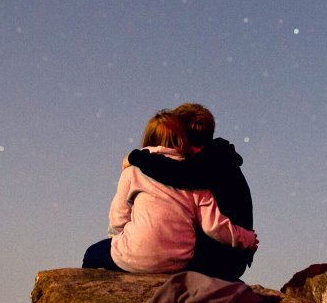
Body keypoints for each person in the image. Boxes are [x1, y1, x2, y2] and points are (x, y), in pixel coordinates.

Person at [82, 110, 258, 273]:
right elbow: (214, 225)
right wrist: (248, 239)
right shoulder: (211, 164)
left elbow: (119, 216)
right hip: (198, 257)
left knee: (92, 254)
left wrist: (135, 158)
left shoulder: (196, 170)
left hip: (219, 261)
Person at [126, 103, 254, 281]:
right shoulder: (217, 159)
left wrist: (137, 157)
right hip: (228, 256)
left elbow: (176, 173)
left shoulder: (207, 163)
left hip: (219, 260)